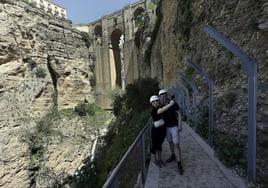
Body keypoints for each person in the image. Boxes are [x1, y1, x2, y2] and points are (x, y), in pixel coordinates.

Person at [159, 89, 184, 175]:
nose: (163, 97)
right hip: (166, 128)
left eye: (164, 95)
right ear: (160, 97)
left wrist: (180, 124)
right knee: (170, 142)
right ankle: (173, 155)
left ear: (166, 95)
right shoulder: (160, 105)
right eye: (162, 96)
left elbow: (179, 113)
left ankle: (179, 164)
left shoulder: (173, 103)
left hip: (174, 126)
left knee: (176, 144)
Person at [149, 95, 175, 168]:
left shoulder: (158, 107)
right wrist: (170, 104)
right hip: (156, 130)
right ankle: (155, 161)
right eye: (154, 101)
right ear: (152, 103)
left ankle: (159, 160)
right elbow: (162, 110)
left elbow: (163, 108)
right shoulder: (154, 110)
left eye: (157, 100)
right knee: (154, 146)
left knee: (159, 145)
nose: (156, 102)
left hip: (161, 130)